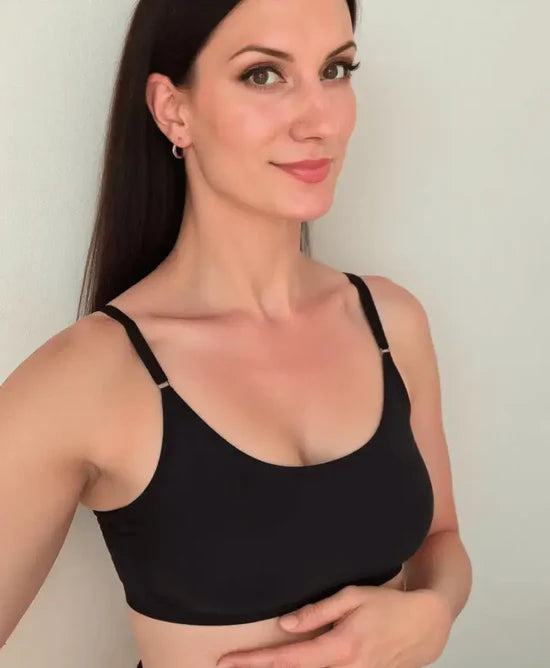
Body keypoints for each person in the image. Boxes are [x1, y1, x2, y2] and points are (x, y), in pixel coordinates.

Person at [1, 1, 468, 666]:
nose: (320, 120)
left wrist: (436, 609)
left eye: (335, 70)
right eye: (263, 75)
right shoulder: (88, 378)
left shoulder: (391, 322)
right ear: (174, 111)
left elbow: (441, 539)